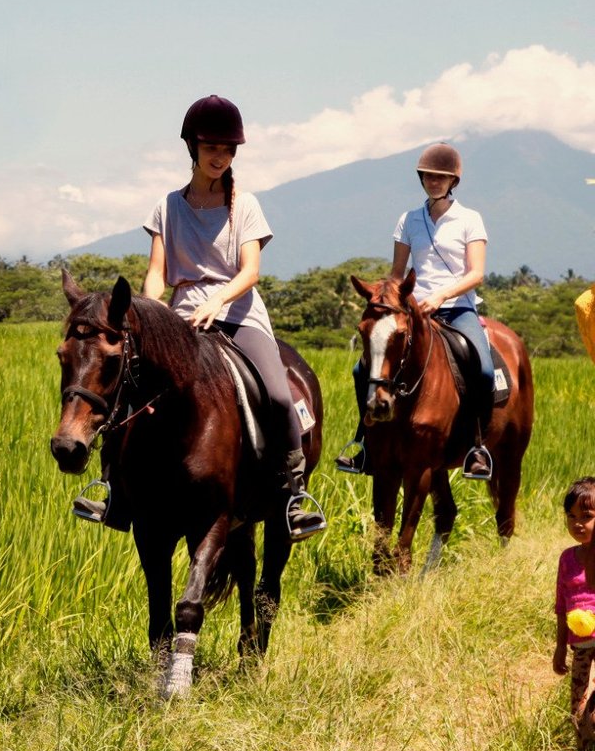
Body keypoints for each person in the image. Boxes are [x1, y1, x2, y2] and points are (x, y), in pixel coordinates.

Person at [141, 94, 327, 542]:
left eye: (227, 149)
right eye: (211, 148)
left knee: (281, 397)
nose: (219, 157)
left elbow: (250, 271)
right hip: (183, 321)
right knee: (133, 391)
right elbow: (155, 274)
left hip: (239, 315)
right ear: (192, 148)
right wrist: (154, 312)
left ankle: (294, 490)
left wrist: (217, 301)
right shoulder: (168, 206)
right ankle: (113, 489)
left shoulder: (245, 204)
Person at [335, 142, 493, 479]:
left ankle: (477, 447)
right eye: (428, 176)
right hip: (413, 311)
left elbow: (476, 273)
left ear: (453, 181)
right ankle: (365, 442)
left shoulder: (469, 219)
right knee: (361, 369)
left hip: (456, 308)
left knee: (483, 370)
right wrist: (386, 299)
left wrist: (441, 296)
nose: (434, 182)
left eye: (441, 177)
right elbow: (397, 272)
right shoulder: (408, 219)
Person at [553, 477, 595, 751]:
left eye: (587, 516)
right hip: (579, 647)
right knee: (578, 709)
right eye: (572, 516)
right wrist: (559, 647)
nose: (578, 523)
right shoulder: (567, 559)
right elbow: (561, 605)